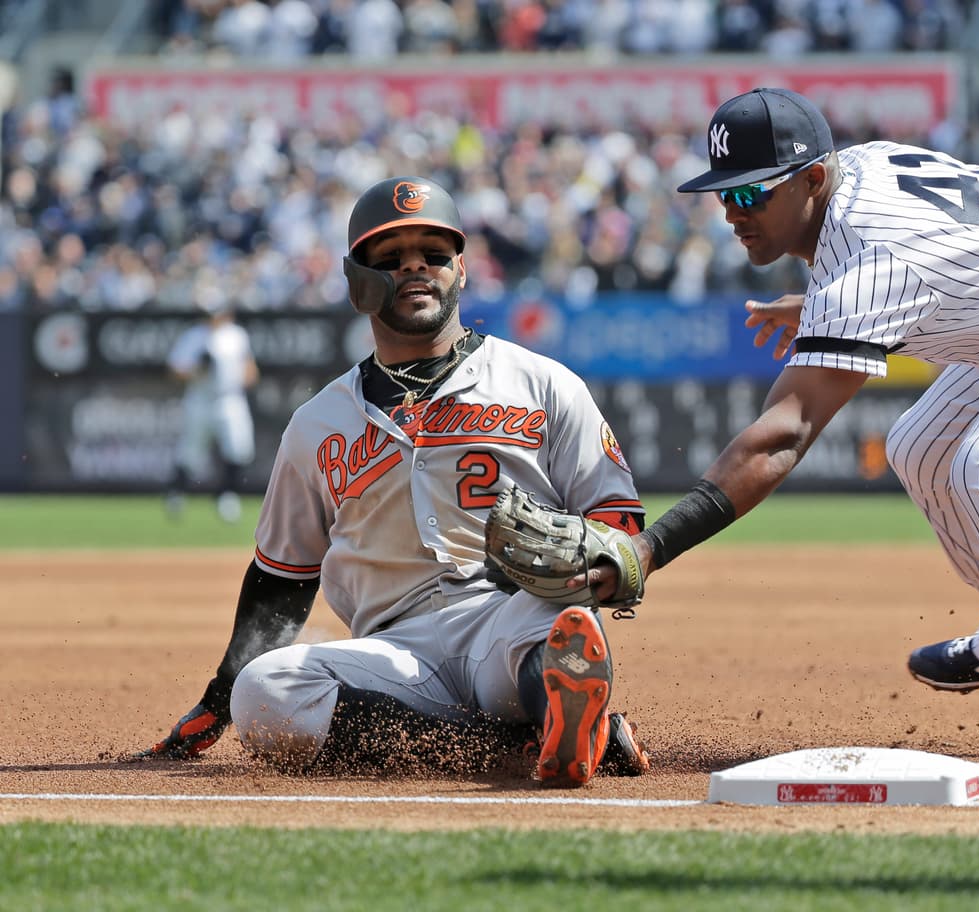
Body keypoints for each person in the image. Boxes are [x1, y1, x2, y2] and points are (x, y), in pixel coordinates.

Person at [575, 88, 979, 773]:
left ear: (813, 178)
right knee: (923, 446)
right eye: (723, 195)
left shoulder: (870, 258)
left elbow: (784, 433)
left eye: (752, 194)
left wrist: (650, 549)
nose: (735, 213)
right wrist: (822, 306)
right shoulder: (862, 171)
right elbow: (958, 252)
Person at [135, 176, 649, 786]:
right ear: (358, 282)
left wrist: (596, 563)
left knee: (565, 629)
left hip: (508, 617)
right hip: (396, 657)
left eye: (434, 255)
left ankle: (556, 714)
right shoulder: (317, 425)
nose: (416, 268)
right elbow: (281, 577)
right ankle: (540, 741)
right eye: (391, 258)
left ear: (461, 268)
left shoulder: (543, 383)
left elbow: (618, 521)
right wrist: (220, 701)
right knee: (264, 692)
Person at [165, 299, 260, 523]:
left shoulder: (236, 336)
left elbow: (251, 371)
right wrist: (197, 369)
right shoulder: (194, 336)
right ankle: (176, 494)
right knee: (191, 451)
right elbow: (175, 370)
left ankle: (227, 496)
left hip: (230, 398)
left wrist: (241, 379)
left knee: (239, 449)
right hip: (200, 399)